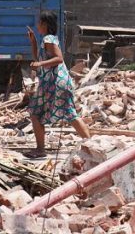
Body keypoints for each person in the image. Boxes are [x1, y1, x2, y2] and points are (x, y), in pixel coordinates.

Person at [25, 10, 91, 159]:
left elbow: (59, 59)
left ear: (45, 24)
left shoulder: (48, 39)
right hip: (53, 83)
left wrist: (40, 63)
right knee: (66, 113)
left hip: (56, 83)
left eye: (39, 23)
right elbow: (39, 57)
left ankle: (41, 149)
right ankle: (90, 143)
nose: (37, 26)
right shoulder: (47, 39)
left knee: (38, 113)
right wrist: (33, 42)